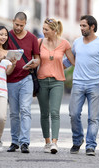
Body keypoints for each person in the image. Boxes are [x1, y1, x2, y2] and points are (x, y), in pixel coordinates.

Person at [0, 12, 40, 153]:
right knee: (14, 113)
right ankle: (14, 141)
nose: (18, 28)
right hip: (9, 80)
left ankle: (24, 142)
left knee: (25, 110)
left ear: (25, 24)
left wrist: (35, 64)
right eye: (16, 24)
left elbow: (37, 58)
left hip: (26, 78)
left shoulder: (32, 38)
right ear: (13, 21)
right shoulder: (6, 35)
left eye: (21, 25)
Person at [63, 15, 99, 156]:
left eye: (84, 26)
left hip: (95, 85)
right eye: (80, 26)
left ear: (92, 27)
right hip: (78, 84)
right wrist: (54, 67)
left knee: (93, 117)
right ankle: (78, 140)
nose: (81, 28)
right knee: (73, 114)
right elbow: (68, 60)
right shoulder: (77, 42)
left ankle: (91, 145)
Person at [37, 18, 75, 154]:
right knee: (44, 113)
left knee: (54, 112)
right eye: (43, 29)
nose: (43, 31)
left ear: (54, 30)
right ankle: (47, 142)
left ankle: (54, 143)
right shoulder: (39, 42)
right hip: (41, 80)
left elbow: (73, 61)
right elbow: (35, 59)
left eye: (46, 29)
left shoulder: (64, 43)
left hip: (57, 81)